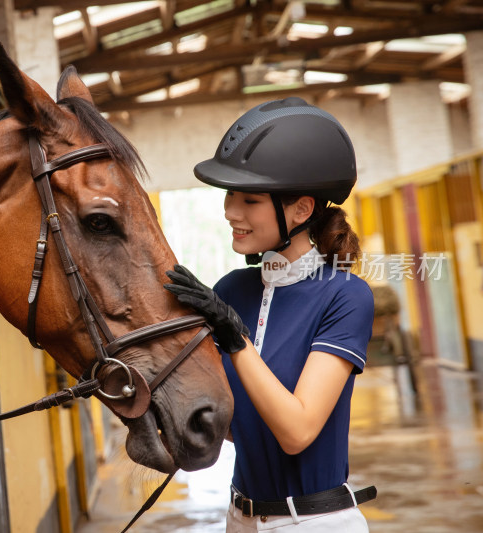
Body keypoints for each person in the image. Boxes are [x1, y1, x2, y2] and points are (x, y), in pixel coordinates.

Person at [164, 97, 377, 532]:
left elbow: (297, 431)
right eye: (230, 195)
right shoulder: (231, 291)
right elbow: (229, 424)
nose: (230, 211)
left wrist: (235, 340)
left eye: (250, 199)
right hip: (238, 517)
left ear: (302, 209)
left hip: (313, 523)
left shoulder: (345, 296)